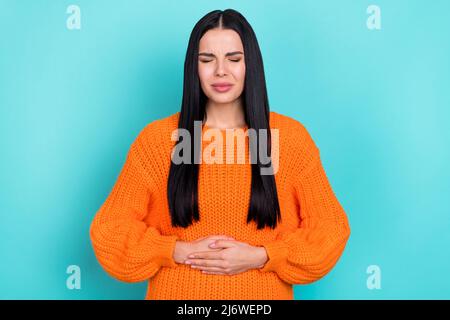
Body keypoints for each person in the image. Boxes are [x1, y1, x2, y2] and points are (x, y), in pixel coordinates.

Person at [90, 8, 351, 300]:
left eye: (234, 59)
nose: (221, 71)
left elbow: (331, 228)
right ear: (194, 68)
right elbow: (109, 231)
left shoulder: (289, 140)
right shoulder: (157, 141)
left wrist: (263, 256)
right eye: (207, 60)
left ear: (250, 65)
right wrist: (175, 250)